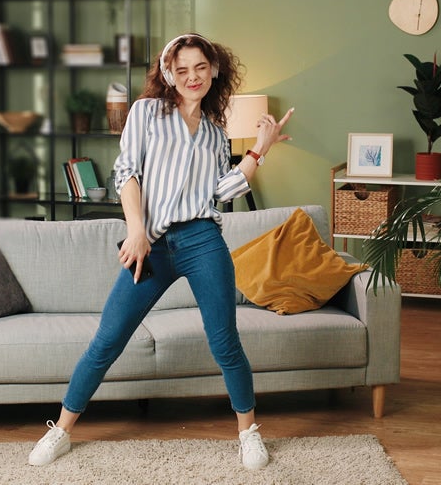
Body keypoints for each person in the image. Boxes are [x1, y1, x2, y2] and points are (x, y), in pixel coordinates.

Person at [28, 33, 294, 470]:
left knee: (225, 342)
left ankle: (249, 434)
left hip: (202, 240)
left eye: (200, 68)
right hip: (151, 244)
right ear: (169, 74)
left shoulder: (214, 134)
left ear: (214, 71)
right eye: (182, 69)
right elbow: (127, 173)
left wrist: (259, 150)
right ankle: (61, 430)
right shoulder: (147, 112)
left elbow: (221, 191)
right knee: (107, 340)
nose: (192, 77)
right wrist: (136, 232)